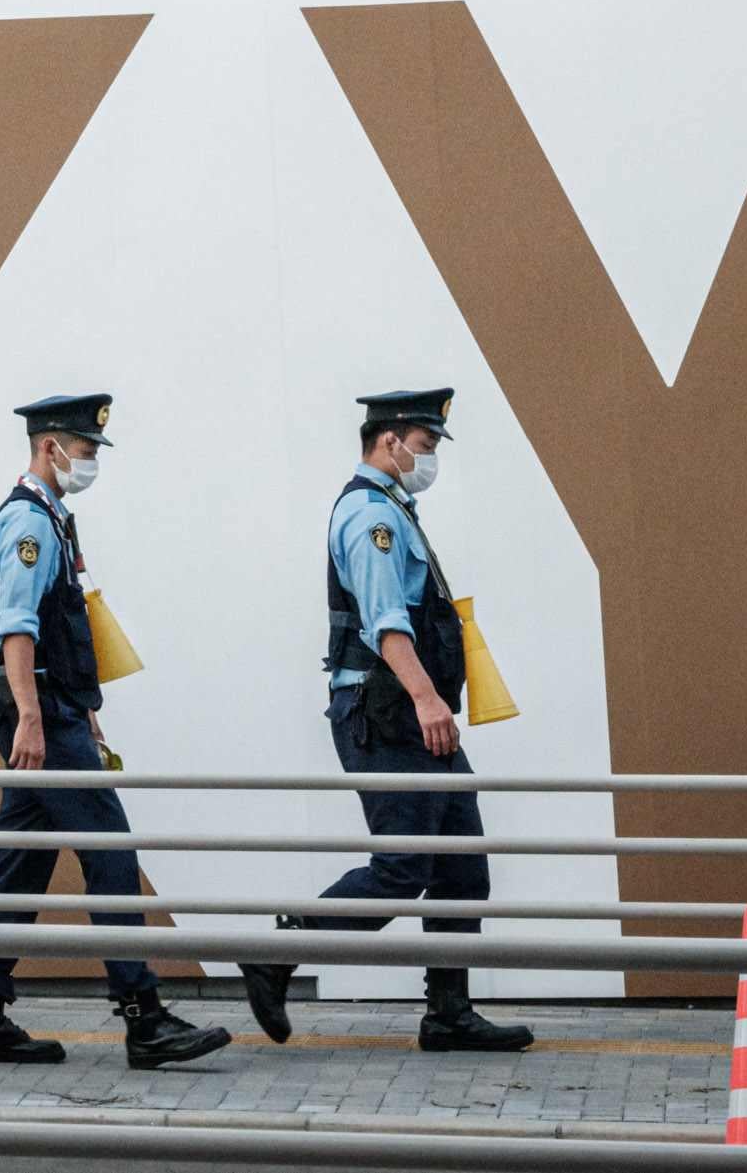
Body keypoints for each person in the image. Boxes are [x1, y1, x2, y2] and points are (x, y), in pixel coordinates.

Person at [0, 393, 231, 1072]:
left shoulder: (51, 517)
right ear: (50, 448)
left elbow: (60, 631)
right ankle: (143, 1017)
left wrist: (85, 712)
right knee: (109, 853)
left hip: (58, 712)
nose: (89, 460)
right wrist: (35, 719)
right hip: (44, 717)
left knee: (19, 869)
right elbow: (14, 627)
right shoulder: (29, 521)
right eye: (83, 449)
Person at [287, 385, 524, 1051]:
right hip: (387, 711)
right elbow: (387, 624)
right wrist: (428, 698)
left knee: (461, 864)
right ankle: (276, 950)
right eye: (423, 445)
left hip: (409, 711)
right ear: (389, 440)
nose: (429, 458)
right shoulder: (373, 519)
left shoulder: (393, 506)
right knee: (402, 865)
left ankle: (448, 1012)